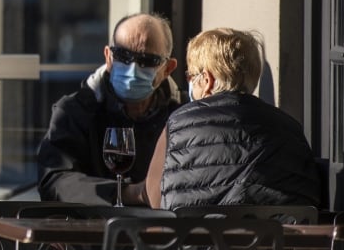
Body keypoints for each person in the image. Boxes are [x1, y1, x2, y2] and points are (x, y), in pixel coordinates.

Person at [123, 27, 321, 209]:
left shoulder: (179, 123)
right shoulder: (291, 128)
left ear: (206, 81)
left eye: (191, 76)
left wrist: (121, 193)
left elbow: (156, 199)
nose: (189, 82)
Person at [37, 12, 183, 205]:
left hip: (165, 231)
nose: (132, 68)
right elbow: (54, 181)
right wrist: (128, 193)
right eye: (123, 56)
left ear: (168, 69)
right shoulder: (75, 111)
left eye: (147, 61)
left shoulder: (183, 115)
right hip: (94, 230)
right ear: (108, 56)